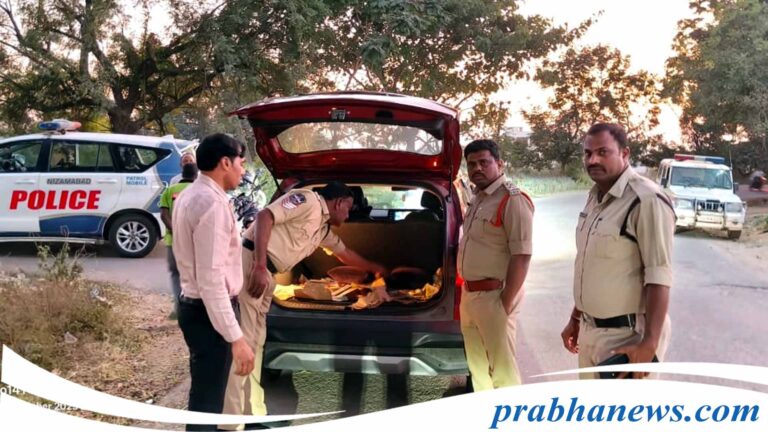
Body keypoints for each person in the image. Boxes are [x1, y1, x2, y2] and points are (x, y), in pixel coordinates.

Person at [220, 181, 386, 430]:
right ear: (339, 202)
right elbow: (265, 216)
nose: (348, 215)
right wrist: (259, 266)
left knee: (256, 343)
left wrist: (376, 269)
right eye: (348, 208)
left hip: (268, 275)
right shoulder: (307, 200)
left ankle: (252, 412)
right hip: (252, 265)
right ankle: (230, 423)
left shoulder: (323, 229)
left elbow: (345, 254)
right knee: (244, 343)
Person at [560, 123, 675, 379]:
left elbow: (659, 275)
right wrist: (576, 318)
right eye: (588, 153)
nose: (593, 160)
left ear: (624, 153)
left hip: (628, 337)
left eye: (603, 152)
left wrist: (649, 344)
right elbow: (594, 267)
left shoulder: (646, 200)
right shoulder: (595, 197)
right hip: (590, 332)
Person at [172, 133, 255, 431]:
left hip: (195, 307)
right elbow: (211, 280)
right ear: (225, 163)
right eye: (241, 163)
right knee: (208, 403)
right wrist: (236, 338)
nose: (243, 170)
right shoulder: (212, 204)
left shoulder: (191, 194)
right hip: (208, 313)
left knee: (204, 396)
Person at [457, 139, 534, 391]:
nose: (477, 168)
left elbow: (522, 255)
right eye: (472, 164)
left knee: (503, 372)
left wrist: (505, 302)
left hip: (494, 295)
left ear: (499, 164)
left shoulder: (512, 199)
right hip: (470, 295)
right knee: (477, 367)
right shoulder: (477, 198)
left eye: (484, 162)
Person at [159, 162, 199, 319]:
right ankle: (193, 310)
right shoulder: (199, 191)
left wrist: (176, 231)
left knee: (176, 274)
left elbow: (163, 215)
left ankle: (178, 309)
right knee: (194, 275)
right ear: (196, 176)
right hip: (194, 242)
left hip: (173, 241)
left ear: (182, 174)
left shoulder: (169, 191)